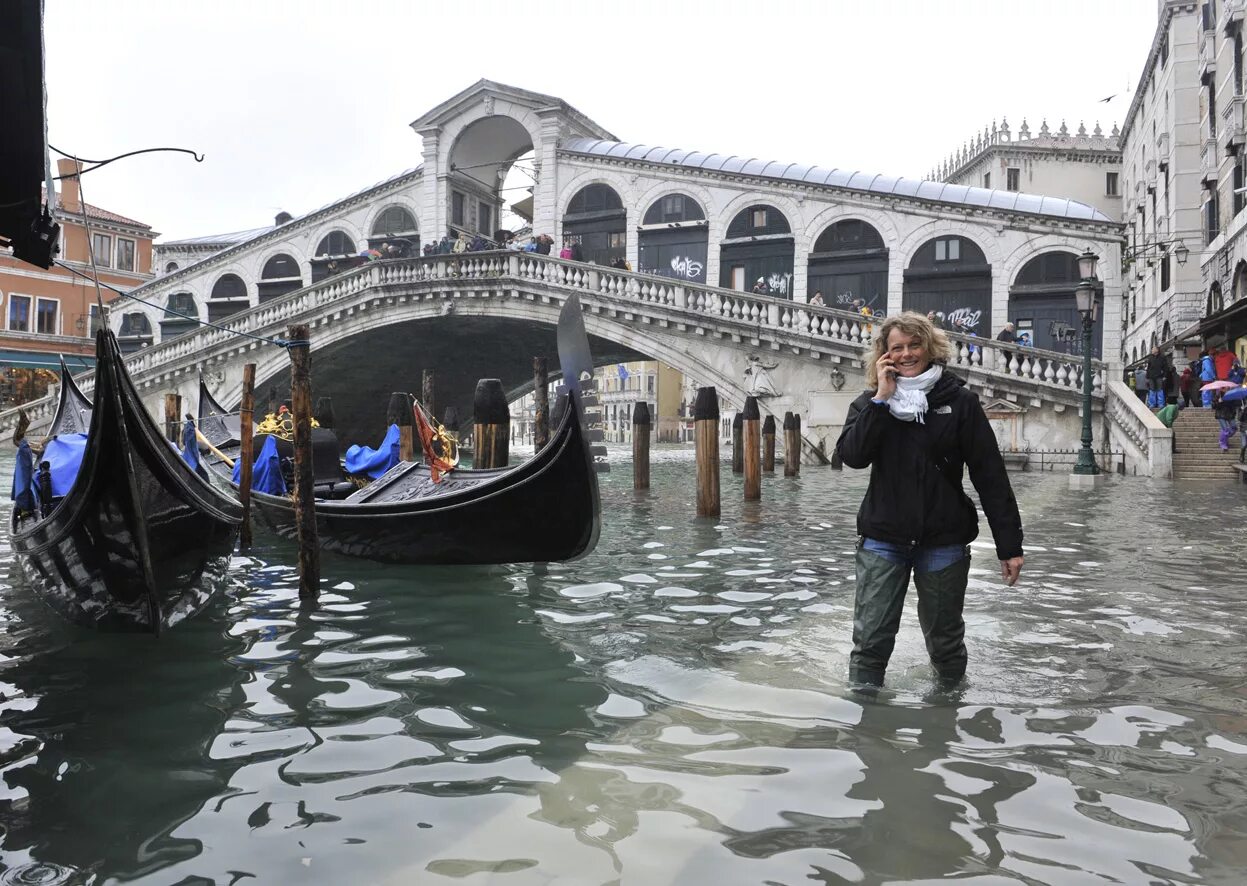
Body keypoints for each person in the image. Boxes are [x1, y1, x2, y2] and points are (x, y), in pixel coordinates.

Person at [835, 311, 1024, 690]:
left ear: (930, 347)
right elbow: (852, 457)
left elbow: (990, 476)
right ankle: (865, 733)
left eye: (914, 344)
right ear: (884, 356)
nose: (906, 354)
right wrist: (882, 400)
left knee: (946, 644)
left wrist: (1010, 545)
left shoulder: (960, 402)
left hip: (944, 540)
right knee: (870, 643)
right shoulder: (869, 403)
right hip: (883, 540)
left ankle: (945, 726)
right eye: (897, 348)